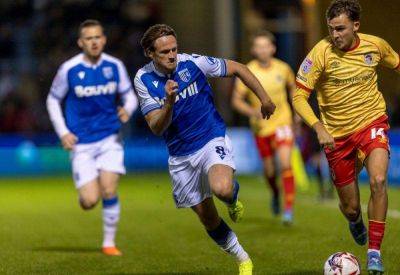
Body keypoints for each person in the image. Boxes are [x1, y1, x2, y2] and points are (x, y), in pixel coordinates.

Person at [134, 24, 275, 275]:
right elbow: (156, 127)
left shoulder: (194, 63)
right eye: (164, 51)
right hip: (180, 155)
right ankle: (243, 258)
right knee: (208, 218)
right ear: (150, 54)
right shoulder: (143, 79)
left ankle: (232, 196)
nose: (171, 56)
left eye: (174, 49)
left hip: (211, 138)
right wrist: (169, 102)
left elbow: (239, 68)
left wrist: (264, 99)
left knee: (222, 188)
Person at [292, 0, 399, 273]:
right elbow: (298, 96)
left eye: (341, 29)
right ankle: (355, 222)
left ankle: (374, 251)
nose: (335, 35)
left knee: (378, 179)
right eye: (331, 29)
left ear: (356, 25)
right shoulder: (320, 53)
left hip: (372, 123)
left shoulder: (375, 46)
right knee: (350, 208)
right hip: (336, 137)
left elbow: (396, 63)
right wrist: (318, 126)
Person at [46, 19, 138, 256]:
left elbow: (130, 96)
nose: (94, 42)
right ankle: (86, 195)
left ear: (104, 39)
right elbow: (53, 99)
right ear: (81, 42)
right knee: (89, 201)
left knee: (109, 189)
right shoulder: (69, 69)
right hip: (82, 143)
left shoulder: (115, 66)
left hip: (110, 138)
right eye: (89, 38)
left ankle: (109, 243)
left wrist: (127, 109)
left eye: (98, 37)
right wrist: (63, 132)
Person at [232, 30, 296, 224]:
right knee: (269, 172)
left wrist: (297, 113)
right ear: (253, 50)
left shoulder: (284, 69)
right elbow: (236, 100)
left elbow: (293, 91)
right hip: (261, 127)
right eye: (258, 46)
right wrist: (252, 112)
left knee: (285, 163)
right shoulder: (247, 71)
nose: (262, 50)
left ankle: (288, 210)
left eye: (265, 46)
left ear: (273, 48)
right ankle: (275, 193)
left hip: (283, 122)